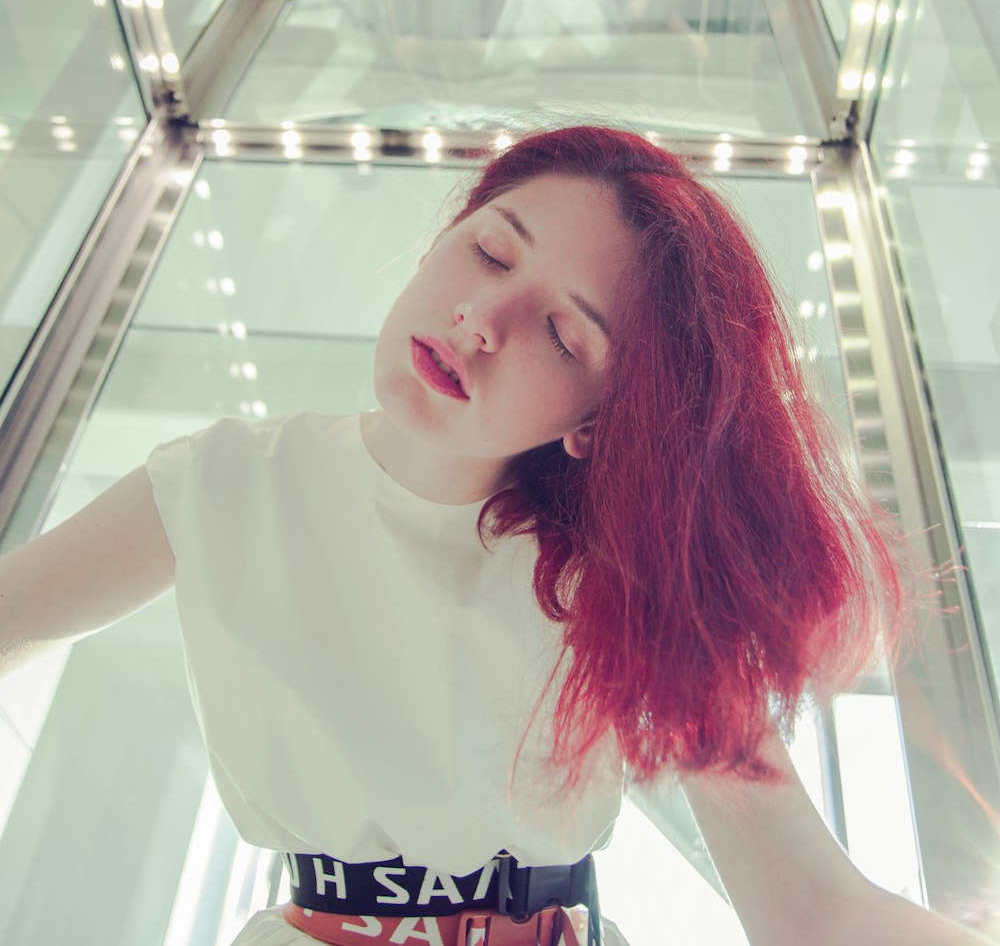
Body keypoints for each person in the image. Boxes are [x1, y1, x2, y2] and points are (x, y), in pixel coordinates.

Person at [0, 124, 990, 946]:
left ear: (596, 420)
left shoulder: (620, 578)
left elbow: (814, 909)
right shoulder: (218, 487)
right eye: (488, 250)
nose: (481, 320)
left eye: (565, 334)